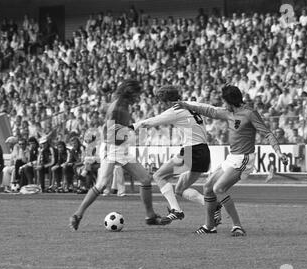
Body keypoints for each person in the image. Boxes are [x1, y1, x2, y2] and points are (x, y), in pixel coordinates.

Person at [175, 85, 288, 235]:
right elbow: (210, 111)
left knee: (219, 189)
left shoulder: (250, 113)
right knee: (208, 187)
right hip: (232, 157)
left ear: (230, 101)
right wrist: (186, 105)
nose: (224, 104)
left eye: (225, 101)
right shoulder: (229, 112)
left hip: (244, 159)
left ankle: (237, 226)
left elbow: (267, 133)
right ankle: (209, 226)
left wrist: (279, 152)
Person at [69, 79, 170, 230]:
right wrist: (132, 132)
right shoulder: (117, 108)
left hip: (120, 147)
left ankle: (150, 216)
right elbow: (111, 135)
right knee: (102, 184)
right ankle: (77, 215)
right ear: (130, 93)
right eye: (137, 94)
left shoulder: (122, 104)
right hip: (112, 148)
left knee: (145, 179)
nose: (138, 97)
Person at [134, 85, 220, 223]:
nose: (162, 105)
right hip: (204, 152)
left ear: (167, 101)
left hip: (192, 152)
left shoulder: (175, 110)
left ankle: (176, 210)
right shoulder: (191, 105)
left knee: (159, 176)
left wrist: (131, 126)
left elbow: (150, 122)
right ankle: (213, 206)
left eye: (162, 102)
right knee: (180, 190)